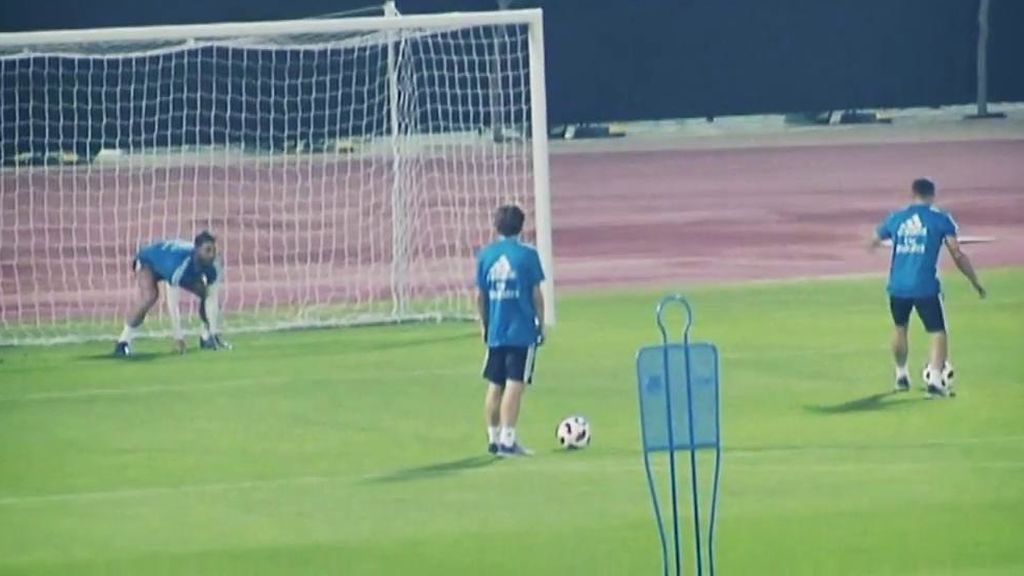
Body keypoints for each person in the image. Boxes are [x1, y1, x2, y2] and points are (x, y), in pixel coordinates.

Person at [870, 178, 985, 397]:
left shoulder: (897, 218)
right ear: (932, 195)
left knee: (899, 327)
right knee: (937, 332)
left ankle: (901, 375)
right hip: (925, 286)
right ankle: (935, 380)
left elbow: (874, 239)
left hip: (898, 286)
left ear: (912, 194)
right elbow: (957, 253)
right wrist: (974, 281)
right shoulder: (940, 219)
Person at [476, 205, 546, 456]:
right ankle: (508, 439)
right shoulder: (528, 255)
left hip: (496, 329)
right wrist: (541, 322)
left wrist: (484, 324)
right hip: (521, 329)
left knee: (495, 384)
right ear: (521, 226)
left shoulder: (485, 255)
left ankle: (493, 438)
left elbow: (480, 296)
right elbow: (536, 294)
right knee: (515, 383)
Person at [114, 231, 230, 357]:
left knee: (206, 293)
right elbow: (172, 301)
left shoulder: (214, 264)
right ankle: (123, 341)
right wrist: (178, 336)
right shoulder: (177, 265)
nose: (212, 254)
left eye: (213, 250)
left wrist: (213, 332)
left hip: (174, 264)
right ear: (197, 250)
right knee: (150, 296)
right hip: (148, 261)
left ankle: (207, 337)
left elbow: (212, 297)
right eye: (208, 250)